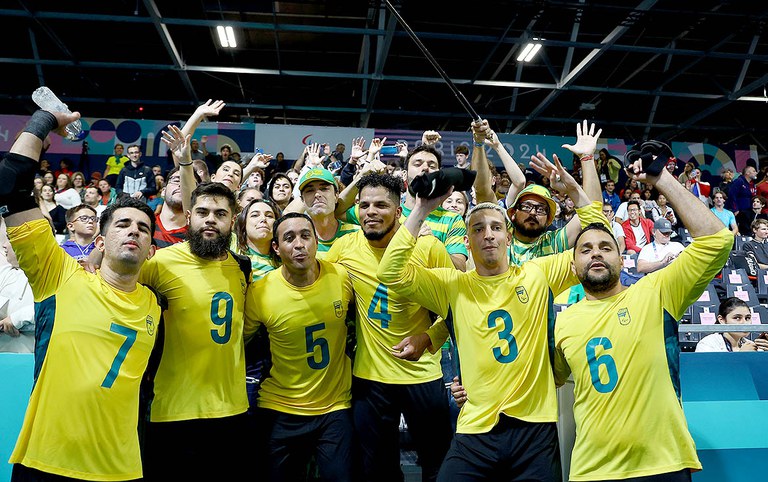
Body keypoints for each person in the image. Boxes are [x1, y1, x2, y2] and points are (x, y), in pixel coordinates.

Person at [377, 153, 599, 482]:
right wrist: (422, 209)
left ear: (508, 237)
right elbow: (390, 272)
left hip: (534, 428)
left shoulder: (539, 273)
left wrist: (576, 187)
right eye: (478, 229)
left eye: (496, 227)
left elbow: (599, 240)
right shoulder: (452, 284)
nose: (489, 234)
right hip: (476, 429)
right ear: (467, 241)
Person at [3, 107, 163, 481]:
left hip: (121, 469)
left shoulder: (156, 302)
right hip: (47, 459)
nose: (134, 231)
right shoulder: (59, 275)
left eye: (143, 228)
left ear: (151, 251)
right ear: (101, 242)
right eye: (123, 224)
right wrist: (43, 123)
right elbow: (8, 183)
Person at [553, 155, 734, 481]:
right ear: (572, 266)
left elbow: (717, 240)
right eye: (586, 248)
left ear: (622, 260)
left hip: (664, 463)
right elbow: (546, 378)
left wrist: (661, 178)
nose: (596, 252)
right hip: (592, 471)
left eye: (606, 247)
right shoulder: (562, 322)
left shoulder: (657, 291)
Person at [325, 173, 454, 482]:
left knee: (437, 463)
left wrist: (428, 337)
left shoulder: (428, 247)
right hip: (370, 378)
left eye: (381, 205)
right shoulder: (343, 248)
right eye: (365, 205)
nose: (371, 212)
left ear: (398, 212)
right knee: (377, 469)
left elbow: (456, 306)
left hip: (423, 373)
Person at [139, 131, 251, 481]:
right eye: (202, 211)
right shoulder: (159, 263)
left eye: (220, 213)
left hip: (231, 408)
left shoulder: (242, 267)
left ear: (232, 221)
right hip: (171, 409)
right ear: (190, 217)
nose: (210, 219)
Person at [244, 213, 355, 481]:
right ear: (276, 247)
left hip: (334, 407)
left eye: (306, 236)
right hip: (279, 405)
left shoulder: (340, 277)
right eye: (289, 238)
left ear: (316, 241)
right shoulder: (260, 292)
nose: (299, 244)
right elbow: (240, 343)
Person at [286, 166, 360, 258]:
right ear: (302, 200)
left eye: (324, 189)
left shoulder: (357, 234)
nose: (317, 194)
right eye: (310, 190)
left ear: (336, 196)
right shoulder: (296, 243)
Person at [0, 219, 34, 354]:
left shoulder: (54, 274)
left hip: (34, 355)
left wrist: (17, 319)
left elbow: (55, 310)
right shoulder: (4, 273)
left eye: (9, 239)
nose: (4, 245)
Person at [695, 297, 768, 352]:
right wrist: (741, 356)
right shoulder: (707, 344)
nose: (744, 322)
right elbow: (710, 371)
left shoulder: (751, 346)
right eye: (737, 318)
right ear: (721, 320)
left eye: (747, 318)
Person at [234, 198, 281, 281]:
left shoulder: (285, 259)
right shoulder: (232, 245)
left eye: (269, 216)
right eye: (255, 215)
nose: (263, 219)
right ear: (244, 223)